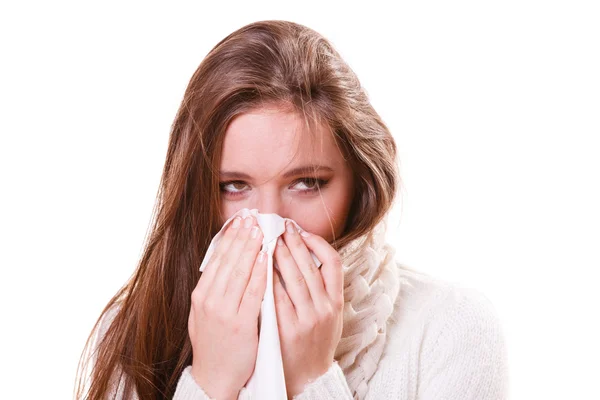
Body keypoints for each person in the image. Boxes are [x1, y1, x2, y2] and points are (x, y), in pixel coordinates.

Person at [75, 20, 508, 400]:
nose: (271, 225)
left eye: (307, 184)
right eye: (234, 187)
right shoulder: (133, 329)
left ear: (361, 185)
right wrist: (210, 384)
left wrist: (312, 380)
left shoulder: (450, 329)